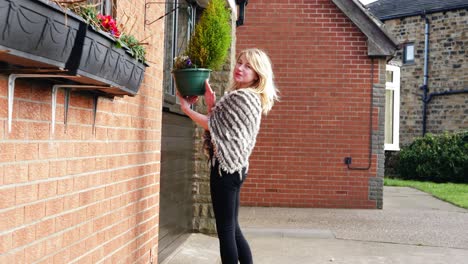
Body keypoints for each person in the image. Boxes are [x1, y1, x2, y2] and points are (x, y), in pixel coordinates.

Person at [176, 48, 279, 264]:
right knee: (233, 228)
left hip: (225, 169)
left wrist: (186, 109)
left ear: (258, 74)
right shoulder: (250, 97)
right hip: (236, 169)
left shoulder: (241, 96)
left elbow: (213, 126)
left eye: (248, 66)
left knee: (225, 231)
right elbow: (224, 127)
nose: (240, 68)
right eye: (239, 62)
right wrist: (212, 102)